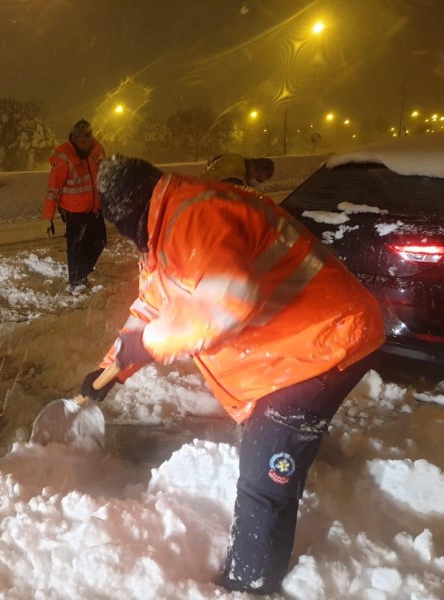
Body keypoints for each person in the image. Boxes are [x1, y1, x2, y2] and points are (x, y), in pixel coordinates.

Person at [81, 154, 385, 594]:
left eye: (122, 222)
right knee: (272, 446)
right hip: (293, 350)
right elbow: (152, 307)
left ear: (133, 208)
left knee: (264, 475)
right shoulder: (162, 230)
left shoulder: (196, 216)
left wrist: (147, 345)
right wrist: (111, 367)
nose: (126, 235)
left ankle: (249, 584)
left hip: (325, 341)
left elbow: (225, 303)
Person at [41, 119, 106, 290]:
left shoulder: (97, 150)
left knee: (100, 241)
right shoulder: (63, 156)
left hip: (94, 208)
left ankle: (82, 275)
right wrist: (48, 218)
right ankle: (76, 282)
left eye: (88, 139)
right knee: (76, 248)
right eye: (81, 140)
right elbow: (53, 188)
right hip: (73, 211)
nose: (85, 144)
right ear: (74, 139)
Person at [201, 152, 274, 187]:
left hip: (200, 190)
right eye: (258, 177)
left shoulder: (238, 160)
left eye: (259, 181)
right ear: (253, 166)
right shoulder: (238, 175)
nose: (256, 181)